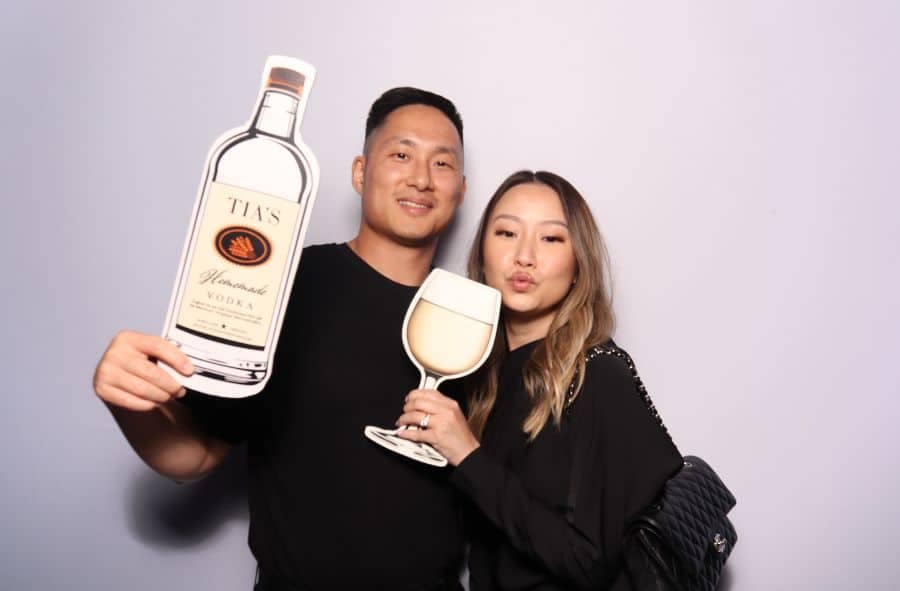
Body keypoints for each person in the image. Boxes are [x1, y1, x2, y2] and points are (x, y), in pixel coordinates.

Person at [93, 88, 469, 590]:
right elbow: (193, 456)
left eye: (441, 163)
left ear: (460, 190)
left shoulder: (473, 318)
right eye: (401, 154)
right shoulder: (284, 284)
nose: (421, 178)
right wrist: (127, 401)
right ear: (361, 172)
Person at [395, 170, 683, 590]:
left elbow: (588, 561)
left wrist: (468, 456)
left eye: (551, 239)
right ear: (483, 252)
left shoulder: (598, 375)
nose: (524, 256)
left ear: (578, 262)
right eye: (506, 233)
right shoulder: (485, 373)